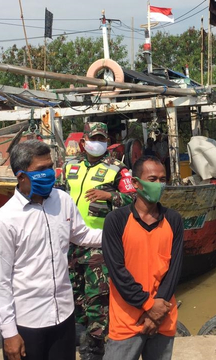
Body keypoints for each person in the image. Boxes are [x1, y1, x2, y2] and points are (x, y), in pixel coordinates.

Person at [0, 140, 102, 360]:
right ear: (21, 177)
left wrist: (120, 235)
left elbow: (82, 234)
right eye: (41, 170)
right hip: (28, 322)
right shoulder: (4, 221)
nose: (49, 173)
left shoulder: (62, 201)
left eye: (50, 167)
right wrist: (9, 332)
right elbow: (1, 282)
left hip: (64, 315)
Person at [62, 122, 136, 360]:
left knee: (97, 299)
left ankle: (95, 349)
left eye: (102, 139)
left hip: (99, 245)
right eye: (94, 138)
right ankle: (83, 343)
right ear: (84, 142)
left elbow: (134, 200)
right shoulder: (69, 167)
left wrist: (110, 196)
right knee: (74, 296)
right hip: (70, 245)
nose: (98, 142)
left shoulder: (117, 169)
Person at [102, 156, 183, 360]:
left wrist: (157, 312)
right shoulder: (116, 220)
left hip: (163, 319)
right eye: (153, 179)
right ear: (136, 183)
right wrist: (148, 306)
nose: (159, 185)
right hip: (126, 322)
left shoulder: (173, 220)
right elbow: (118, 272)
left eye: (163, 179)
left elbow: (174, 270)